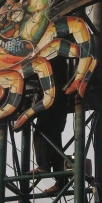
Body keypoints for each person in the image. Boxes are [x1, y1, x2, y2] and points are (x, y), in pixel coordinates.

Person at [33, 56, 68, 194]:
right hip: (57, 103)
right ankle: (61, 181)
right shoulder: (57, 60)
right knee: (54, 143)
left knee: (40, 133)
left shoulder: (50, 60)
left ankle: (44, 165)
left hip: (51, 101)